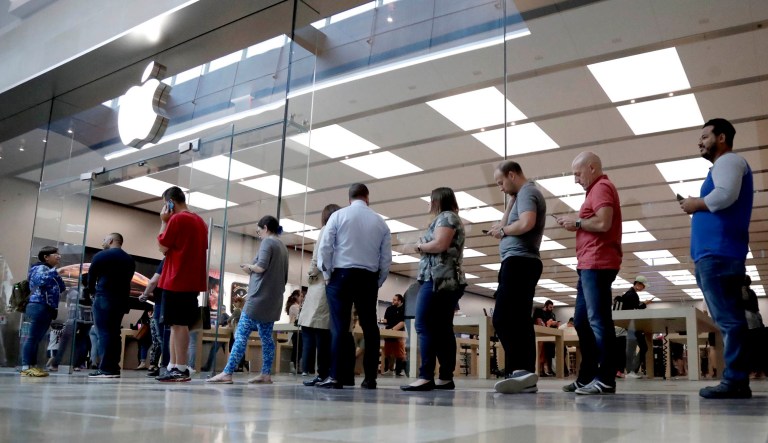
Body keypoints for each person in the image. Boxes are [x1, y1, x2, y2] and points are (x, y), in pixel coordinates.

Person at [679, 118, 753, 399]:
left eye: (705, 136)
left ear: (721, 137)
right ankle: (736, 380)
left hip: (719, 254)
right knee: (729, 320)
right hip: (717, 255)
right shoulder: (724, 165)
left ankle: (735, 381)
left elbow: (724, 196)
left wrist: (694, 204)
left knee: (730, 322)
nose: (700, 141)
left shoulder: (729, 161)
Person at [555, 151, 622, 395]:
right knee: (583, 322)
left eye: (577, 173)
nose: (576, 179)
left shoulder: (602, 187)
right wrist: (576, 221)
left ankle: (606, 378)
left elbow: (604, 222)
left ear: (592, 167)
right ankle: (587, 376)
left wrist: (577, 222)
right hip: (588, 264)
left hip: (598, 263)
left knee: (598, 321)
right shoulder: (593, 191)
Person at [316, 183, 392, 389]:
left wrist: (327, 273)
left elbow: (325, 247)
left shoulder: (338, 216)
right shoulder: (380, 222)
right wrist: (378, 281)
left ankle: (336, 376)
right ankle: (370, 378)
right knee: (370, 327)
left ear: (349, 199)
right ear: (367, 197)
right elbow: (386, 259)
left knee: (339, 327)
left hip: (341, 275)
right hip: (368, 277)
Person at [207, 215, 289, 384]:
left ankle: (227, 373)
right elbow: (283, 276)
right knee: (266, 338)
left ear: (265, 228)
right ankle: (266, 374)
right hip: (273, 301)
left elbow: (261, 267)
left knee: (241, 334)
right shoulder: (283, 247)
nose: (259, 235)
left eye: (259, 231)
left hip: (257, 298)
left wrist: (249, 267)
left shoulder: (267, 242)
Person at [487, 160, 546, 394]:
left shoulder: (528, 192)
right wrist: (510, 203)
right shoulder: (520, 196)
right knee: (518, 319)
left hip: (520, 261)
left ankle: (521, 370)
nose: (500, 187)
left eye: (501, 182)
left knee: (503, 318)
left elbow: (527, 222)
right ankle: (521, 373)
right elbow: (506, 225)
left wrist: (503, 230)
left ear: (512, 175)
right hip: (517, 262)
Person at [401, 187, 466, 392]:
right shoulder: (450, 217)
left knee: (423, 325)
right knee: (443, 328)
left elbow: (440, 244)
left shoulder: (446, 217)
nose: (429, 204)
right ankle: (445, 377)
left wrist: (420, 246)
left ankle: (426, 376)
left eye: (431, 200)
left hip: (437, 279)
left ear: (437, 200)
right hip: (445, 280)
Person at [155, 186, 209, 382]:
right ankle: (173, 365)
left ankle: (180, 367)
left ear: (170, 202)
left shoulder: (177, 219)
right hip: (191, 280)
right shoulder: (201, 222)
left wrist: (164, 222)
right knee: (176, 324)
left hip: (176, 278)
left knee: (178, 325)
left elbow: (162, 247)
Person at [299, 204, 339, 387]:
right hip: (336, 284)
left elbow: (318, 256)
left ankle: (322, 373)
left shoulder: (325, 229)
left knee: (319, 330)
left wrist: (310, 274)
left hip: (321, 284)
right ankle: (332, 373)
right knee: (331, 332)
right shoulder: (342, 231)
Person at [88, 233, 136, 378]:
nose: (103, 242)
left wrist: (91, 292)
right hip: (121, 299)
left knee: (103, 332)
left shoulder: (101, 256)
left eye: (104, 240)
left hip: (104, 296)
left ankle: (106, 368)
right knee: (115, 333)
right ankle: (114, 367)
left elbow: (91, 277)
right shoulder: (129, 259)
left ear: (110, 241)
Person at [21, 246, 66, 377]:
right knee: (32, 338)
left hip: (46, 307)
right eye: (55, 254)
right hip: (38, 305)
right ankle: (26, 366)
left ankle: (32, 366)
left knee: (37, 338)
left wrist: (56, 274)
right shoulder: (40, 267)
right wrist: (56, 271)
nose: (58, 256)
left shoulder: (49, 270)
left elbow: (61, 287)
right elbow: (39, 280)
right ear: (46, 257)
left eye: (58, 254)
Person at [614, 275, 650, 379]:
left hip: (628, 326)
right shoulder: (632, 295)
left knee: (636, 348)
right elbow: (635, 309)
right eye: (643, 286)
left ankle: (630, 370)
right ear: (638, 284)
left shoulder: (628, 294)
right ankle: (632, 370)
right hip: (632, 326)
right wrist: (644, 304)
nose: (644, 288)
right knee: (642, 347)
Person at [139, 259, 166, 377]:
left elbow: (153, 282)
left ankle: (164, 365)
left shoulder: (166, 261)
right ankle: (170, 365)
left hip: (161, 305)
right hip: (173, 303)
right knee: (169, 337)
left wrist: (144, 295)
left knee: (161, 338)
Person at [380, 293, 406, 376]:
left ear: (400, 301)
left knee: (399, 353)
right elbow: (386, 320)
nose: (393, 301)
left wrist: (393, 329)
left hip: (399, 333)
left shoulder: (404, 309)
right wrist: (382, 321)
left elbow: (402, 322)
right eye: (393, 300)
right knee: (388, 352)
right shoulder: (389, 308)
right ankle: (388, 369)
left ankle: (398, 371)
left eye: (395, 300)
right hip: (388, 333)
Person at [533, 300, 560, 377]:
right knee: (541, 351)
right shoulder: (539, 312)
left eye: (552, 307)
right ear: (546, 306)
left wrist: (555, 324)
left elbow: (552, 325)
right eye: (550, 307)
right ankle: (540, 370)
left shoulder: (552, 314)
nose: (551, 309)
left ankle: (549, 369)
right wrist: (548, 323)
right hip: (540, 334)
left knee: (550, 349)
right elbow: (539, 323)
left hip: (549, 335)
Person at [285, 289, 302, 374]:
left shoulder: (297, 306)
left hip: (299, 330)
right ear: (296, 297)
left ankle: (297, 366)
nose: (302, 298)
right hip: (295, 331)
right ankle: (293, 366)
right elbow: (299, 317)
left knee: (299, 348)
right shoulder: (294, 307)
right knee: (297, 348)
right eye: (301, 296)